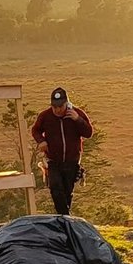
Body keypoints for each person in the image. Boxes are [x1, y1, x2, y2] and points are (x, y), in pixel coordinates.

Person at [30, 86, 93, 216]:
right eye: (55, 107)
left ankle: (64, 218)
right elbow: (35, 130)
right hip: (53, 160)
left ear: (66, 104)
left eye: (60, 106)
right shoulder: (45, 116)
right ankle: (65, 217)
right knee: (55, 187)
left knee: (67, 191)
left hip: (72, 160)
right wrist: (41, 141)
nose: (58, 110)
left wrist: (77, 120)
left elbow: (88, 133)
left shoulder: (77, 114)